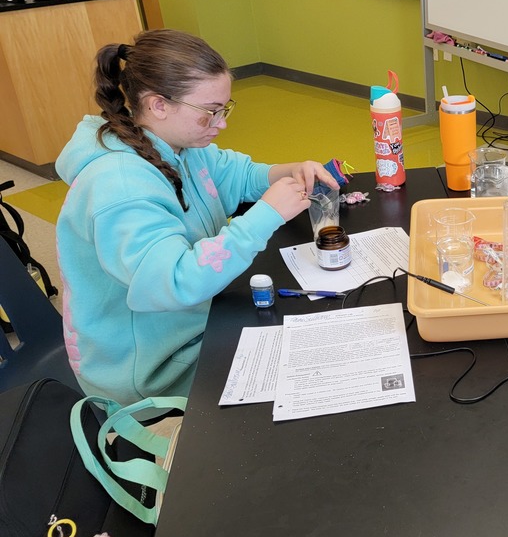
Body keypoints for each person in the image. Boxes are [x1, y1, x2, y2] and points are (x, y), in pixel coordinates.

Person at [56, 29, 339, 407]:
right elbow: (173, 282)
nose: (220, 124)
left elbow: (236, 174)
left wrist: (292, 170)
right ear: (158, 105)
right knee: (310, 366)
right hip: (151, 368)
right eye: (210, 112)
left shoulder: (176, 144)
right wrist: (266, 215)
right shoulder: (119, 185)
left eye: (225, 109)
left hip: (192, 321)